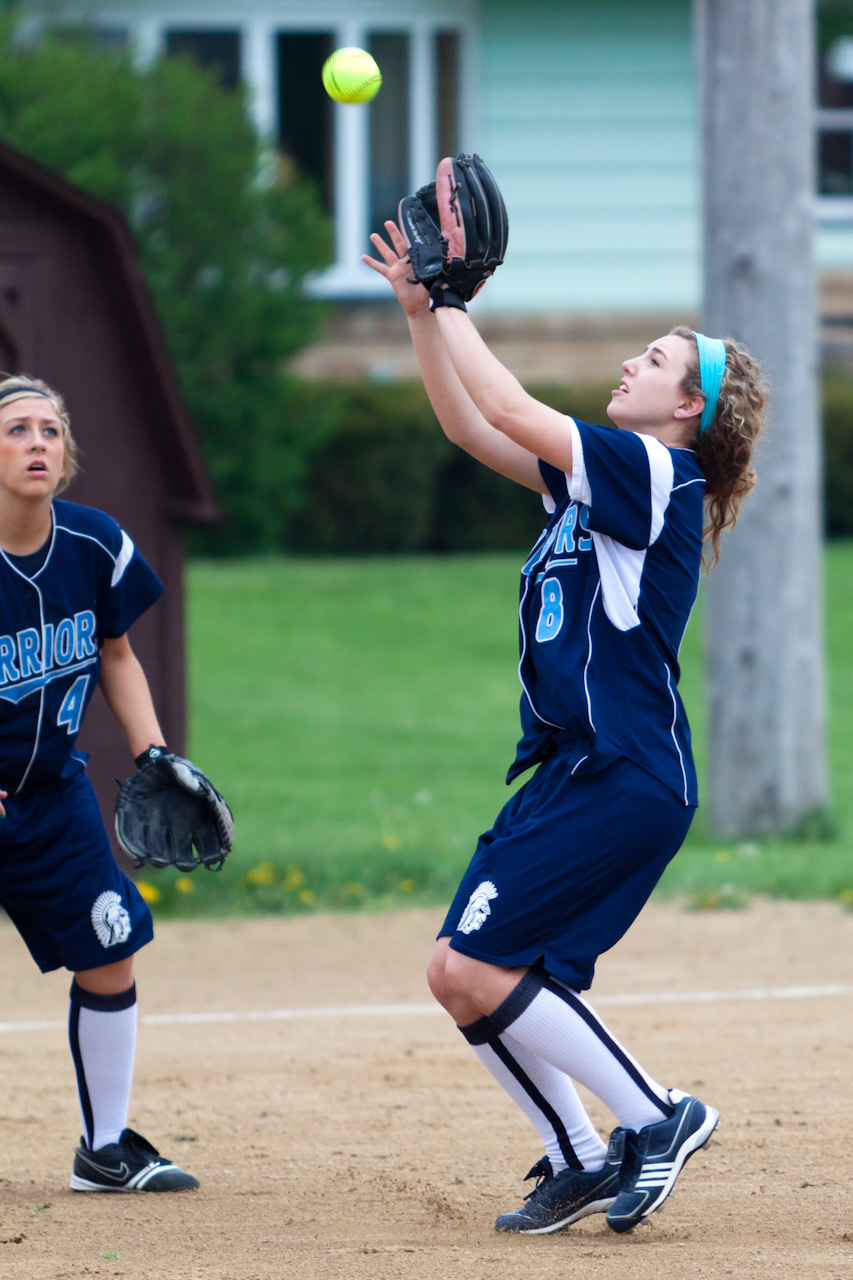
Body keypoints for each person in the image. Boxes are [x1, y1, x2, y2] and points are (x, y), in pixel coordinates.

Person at [363, 219, 766, 1234]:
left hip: (626, 771)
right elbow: (472, 428)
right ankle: (580, 1154)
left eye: (656, 360)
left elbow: (507, 402)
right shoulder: (600, 483)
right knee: (456, 972)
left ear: (689, 407)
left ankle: (658, 1116)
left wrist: (452, 298)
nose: (633, 363)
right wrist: (421, 315)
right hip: (576, 769)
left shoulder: (655, 471)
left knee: (476, 966)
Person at [0, 372, 208, 1193]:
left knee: (110, 948)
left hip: (53, 795)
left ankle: (105, 1148)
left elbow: (115, 654)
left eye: (50, 430)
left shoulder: (94, 544)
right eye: (17, 429)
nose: (37, 443)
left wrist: (153, 754)